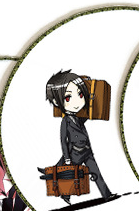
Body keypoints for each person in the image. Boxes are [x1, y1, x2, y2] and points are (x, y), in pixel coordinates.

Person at [45, 70, 112, 203]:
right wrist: (67, 157)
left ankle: (107, 194)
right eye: (68, 98)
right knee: (69, 174)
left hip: (87, 151)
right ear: (56, 102)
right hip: (75, 153)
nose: (77, 102)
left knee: (96, 172)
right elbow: (63, 140)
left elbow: (89, 114)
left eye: (80, 94)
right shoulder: (65, 121)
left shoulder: (78, 118)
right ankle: (65, 194)